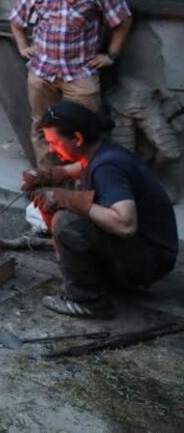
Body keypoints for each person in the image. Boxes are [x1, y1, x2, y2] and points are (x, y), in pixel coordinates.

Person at [25, 100, 177, 319]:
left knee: (66, 222)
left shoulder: (108, 167)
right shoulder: (101, 152)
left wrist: (69, 199)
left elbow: (126, 224)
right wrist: (51, 175)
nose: (51, 149)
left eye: (55, 143)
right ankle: (96, 277)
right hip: (148, 252)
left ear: (77, 138)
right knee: (62, 209)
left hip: (149, 261)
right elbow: (81, 167)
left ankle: (89, 302)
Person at [10, 0, 132, 166]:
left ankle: (82, 190)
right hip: (42, 73)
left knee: (84, 132)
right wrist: (23, 47)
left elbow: (123, 20)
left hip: (80, 73)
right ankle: (48, 187)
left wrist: (111, 56)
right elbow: (17, 21)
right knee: (41, 127)